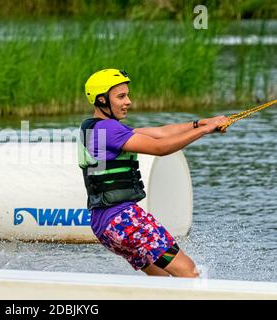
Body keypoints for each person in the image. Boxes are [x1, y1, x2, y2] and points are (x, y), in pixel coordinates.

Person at [78, 68, 228, 277]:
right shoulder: (110, 130)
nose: (128, 101)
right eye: (121, 96)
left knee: (162, 279)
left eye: (127, 95)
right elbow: (161, 147)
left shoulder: (93, 127)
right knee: (189, 273)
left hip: (104, 226)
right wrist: (205, 130)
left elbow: (160, 133)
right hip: (124, 219)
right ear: (102, 100)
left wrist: (200, 123)